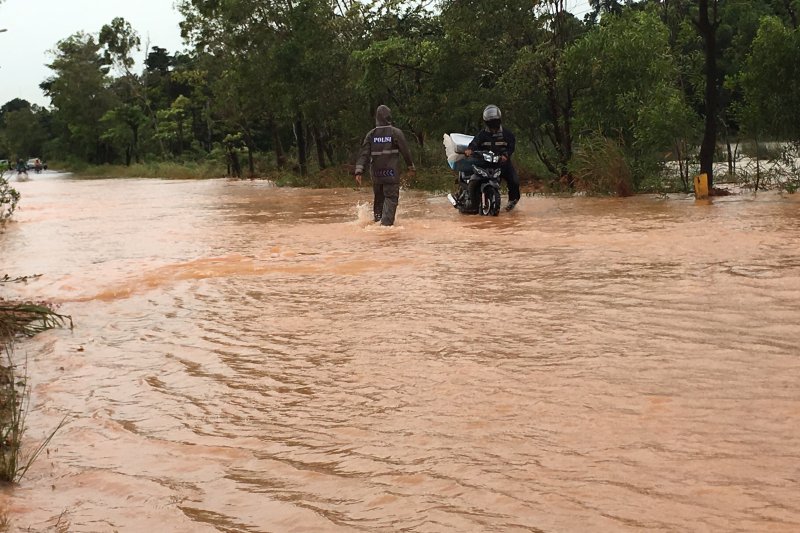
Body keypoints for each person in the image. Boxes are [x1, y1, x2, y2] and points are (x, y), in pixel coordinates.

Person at [354, 105, 415, 226]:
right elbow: (405, 151)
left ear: (377, 118)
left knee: (379, 200)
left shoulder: (371, 134)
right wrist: (411, 167)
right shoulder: (395, 133)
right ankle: (385, 229)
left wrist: (359, 171)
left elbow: (364, 154)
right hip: (391, 174)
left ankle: (377, 224)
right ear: (389, 117)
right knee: (391, 199)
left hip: (376, 175)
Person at [464, 105, 521, 211]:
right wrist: (470, 150)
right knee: (475, 178)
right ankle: (473, 200)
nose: (493, 125)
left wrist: (505, 155)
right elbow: (474, 143)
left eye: (495, 121)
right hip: (486, 163)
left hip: (502, 164)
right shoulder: (482, 134)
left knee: (514, 181)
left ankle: (512, 201)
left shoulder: (507, 134)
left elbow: (511, 146)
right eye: (491, 122)